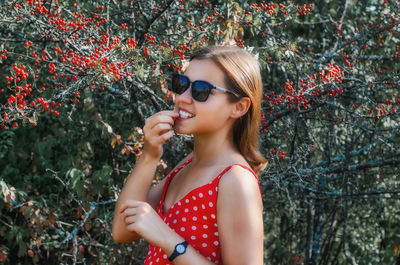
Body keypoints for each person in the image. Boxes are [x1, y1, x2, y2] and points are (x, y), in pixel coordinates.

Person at [112, 45, 268, 265]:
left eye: (201, 91)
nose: (182, 98)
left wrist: (168, 240)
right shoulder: (187, 165)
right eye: (182, 84)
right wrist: (149, 155)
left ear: (239, 107)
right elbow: (122, 230)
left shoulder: (235, 181)